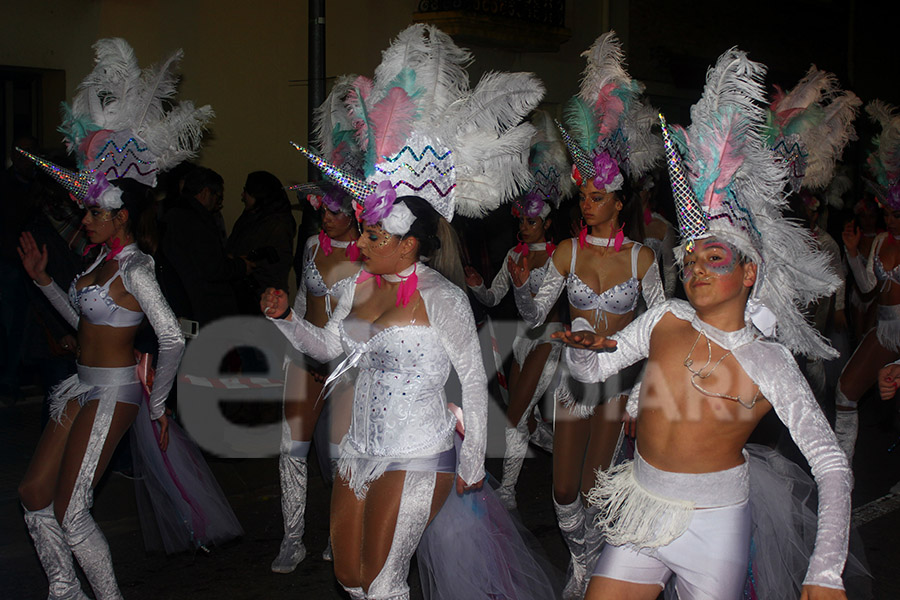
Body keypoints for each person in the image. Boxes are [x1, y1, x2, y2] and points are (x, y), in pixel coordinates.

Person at [555, 48, 852, 600]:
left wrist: (825, 569)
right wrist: (580, 349)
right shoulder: (665, 317)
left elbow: (830, 464)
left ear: (749, 272)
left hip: (713, 528)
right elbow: (594, 369)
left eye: (713, 259)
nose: (693, 269)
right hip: (641, 512)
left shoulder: (767, 360)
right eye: (689, 260)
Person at [270, 23, 544, 599]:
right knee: (350, 577)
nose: (361, 244)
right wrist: (286, 320)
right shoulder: (357, 285)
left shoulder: (441, 298)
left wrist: (471, 464)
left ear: (408, 242)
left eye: (372, 234)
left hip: (421, 454)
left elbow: (472, 379)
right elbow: (329, 350)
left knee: (385, 580)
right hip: (360, 450)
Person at [16, 38, 212, 599]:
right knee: (34, 495)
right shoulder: (97, 264)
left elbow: (171, 336)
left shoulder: (136, 268)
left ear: (120, 215)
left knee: (71, 511)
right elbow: (84, 325)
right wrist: (44, 279)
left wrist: (155, 400)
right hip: (79, 386)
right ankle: (65, 589)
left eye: (94, 210)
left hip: (116, 394)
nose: (85, 217)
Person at [510, 31, 664, 599]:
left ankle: (589, 574)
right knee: (563, 492)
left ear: (619, 200)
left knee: (601, 489)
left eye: (597, 196)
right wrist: (525, 287)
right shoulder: (568, 251)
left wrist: (644, 396)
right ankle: (582, 560)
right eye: (583, 196)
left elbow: (659, 328)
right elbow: (533, 313)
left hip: (620, 383)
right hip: (574, 378)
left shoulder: (644, 258)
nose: (587, 202)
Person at [465, 109, 572, 510]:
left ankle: (507, 493)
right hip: (523, 342)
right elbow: (495, 299)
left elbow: (537, 313)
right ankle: (566, 451)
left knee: (513, 416)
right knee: (524, 419)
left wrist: (525, 282)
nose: (523, 228)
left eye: (530, 222)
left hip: (549, 339)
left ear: (544, 223)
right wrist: (478, 285)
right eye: (520, 222)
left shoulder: (562, 254)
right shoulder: (514, 254)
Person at [270, 185, 360, 573]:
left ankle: (338, 534)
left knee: (342, 455)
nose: (325, 216)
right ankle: (292, 538)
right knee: (291, 449)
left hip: (344, 363)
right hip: (306, 356)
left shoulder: (370, 254)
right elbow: (304, 302)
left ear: (356, 212)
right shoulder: (310, 245)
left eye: (335, 211)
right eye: (322, 209)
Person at [835, 101, 900, 465]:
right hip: (887, 329)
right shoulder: (878, 242)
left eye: (897, 214)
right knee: (845, 390)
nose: (889, 220)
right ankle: (840, 474)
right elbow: (868, 288)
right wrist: (853, 252)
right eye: (887, 212)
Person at [161, 166, 248, 326]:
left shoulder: (171, 214)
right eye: (218, 197)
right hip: (203, 306)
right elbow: (212, 268)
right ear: (206, 193)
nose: (217, 204)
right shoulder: (197, 221)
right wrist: (241, 266)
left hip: (182, 302)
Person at [225, 171, 296, 314]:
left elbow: (273, 264)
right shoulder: (252, 216)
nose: (243, 196)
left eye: (247, 191)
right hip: (245, 295)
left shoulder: (277, 224)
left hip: (263, 297)